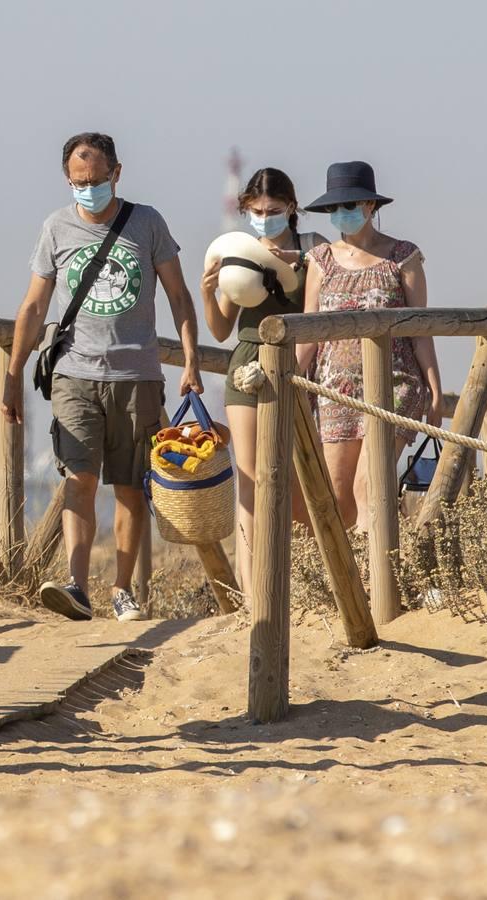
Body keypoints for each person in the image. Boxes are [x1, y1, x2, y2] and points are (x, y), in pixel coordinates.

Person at [2, 132, 203, 622]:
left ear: (116, 173)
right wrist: (13, 372)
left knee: (131, 486)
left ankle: (122, 589)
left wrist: (192, 360)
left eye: (94, 180)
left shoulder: (147, 222)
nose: (86, 189)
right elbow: (34, 305)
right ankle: (76, 584)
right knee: (80, 478)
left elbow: (178, 295)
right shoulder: (56, 227)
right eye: (77, 182)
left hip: (137, 373)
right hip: (75, 371)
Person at [297, 161, 442, 529]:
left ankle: (380, 582)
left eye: (351, 205)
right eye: (336, 207)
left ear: (371, 207)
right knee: (337, 493)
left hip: (393, 385)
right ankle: (351, 582)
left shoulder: (402, 258)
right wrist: (292, 380)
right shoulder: (320, 261)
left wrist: (435, 392)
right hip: (334, 393)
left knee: (369, 487)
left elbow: (421, 329)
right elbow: (308, 332)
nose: (342, 213)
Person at [200, 168, 321, 594]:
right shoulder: (241, 251)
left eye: (272, 211)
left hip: (302, 362)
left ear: (291, 207)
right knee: (250, 478)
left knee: (300, 477)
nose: (264, 218)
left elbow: (320, 306)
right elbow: (219, 330)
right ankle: (252, 592)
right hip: (248, 362)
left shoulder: (313, 248)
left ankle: (304, 582)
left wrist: (297, 263)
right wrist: (208, 294)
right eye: (255, 211)